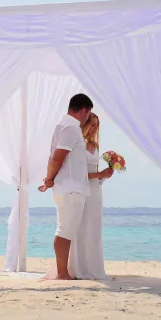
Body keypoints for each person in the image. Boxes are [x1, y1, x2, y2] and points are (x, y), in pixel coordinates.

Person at [38, 93, 94, 280]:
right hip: (71, 187)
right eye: (88, 113)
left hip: (67, 186)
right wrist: (49, 178)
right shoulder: (71, 128)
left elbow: (55, 157)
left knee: (66, 229)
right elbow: (57, 157)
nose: (87, 117)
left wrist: (50, 179)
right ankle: (62, 273)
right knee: (65, 230)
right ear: (84, 111)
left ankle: (64, 271)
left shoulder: (63, 126)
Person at [68, 112, 113, 279]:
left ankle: (93, 267)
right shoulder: (78, 145)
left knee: (94, 227)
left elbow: (95, 173)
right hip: (82, 191)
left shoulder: (95, 146)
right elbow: (78, 174)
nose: (95, 128)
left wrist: (104, 175)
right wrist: (99, 174)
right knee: (81, 227)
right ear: (85, 125)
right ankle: (78, 268)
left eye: (97, 124)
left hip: (95, 192)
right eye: (92, 124)